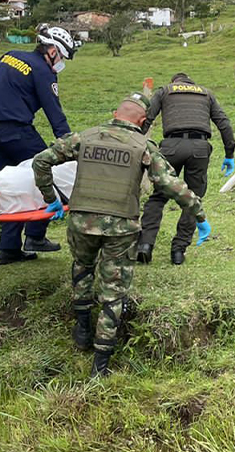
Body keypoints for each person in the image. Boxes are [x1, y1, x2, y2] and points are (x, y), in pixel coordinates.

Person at [31, 93, 211, 376]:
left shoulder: (84, 137)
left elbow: (41, 161)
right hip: (120, 227)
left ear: (115, 112)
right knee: (113, 293)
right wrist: (198, 214)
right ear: (142, 121)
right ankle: (100, 366)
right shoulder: (143, 145)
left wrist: (49, 197)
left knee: (82, 267)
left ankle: (82, 327)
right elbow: (169, 183)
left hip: (82, 222)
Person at [0, 24, 80, 265]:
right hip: (16, 130)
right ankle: (35, 236)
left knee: (9, 184)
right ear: (52, 50)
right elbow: (54, 113)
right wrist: (69, 146)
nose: (61, 63)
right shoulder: (44, 71)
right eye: (62, 57)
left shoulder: (11, 56)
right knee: (44, 171)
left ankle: (8, 249)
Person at [137, 72, 235, 266]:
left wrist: (135, 141)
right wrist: (229, 153)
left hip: (171, 147)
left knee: (158, 196)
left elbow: (147, 117)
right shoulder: (206, 94)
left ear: (175, 82)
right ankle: (178, 251)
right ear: (192, 82)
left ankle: (145, 245)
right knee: (193, 198)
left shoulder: (165, 90)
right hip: (199, 149)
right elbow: (223, 123)